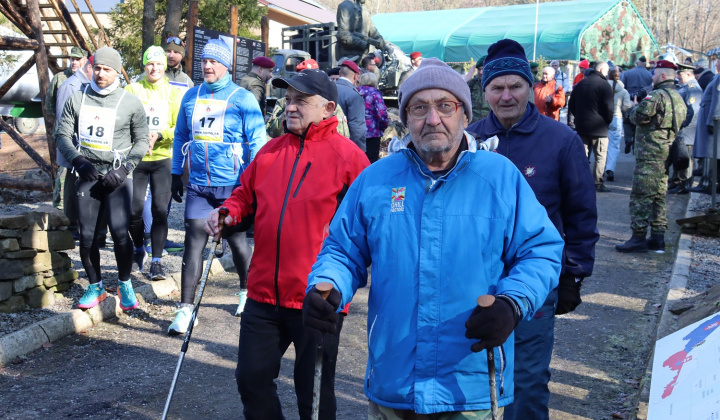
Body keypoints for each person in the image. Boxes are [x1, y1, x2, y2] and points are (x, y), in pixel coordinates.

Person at [302, 56, 564, 418]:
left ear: (464, 115)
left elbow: (541, 250)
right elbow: (342, 251)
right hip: (394, 379)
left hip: (470, 383)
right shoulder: (377, 179)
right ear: (406, 118)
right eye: (419, 108)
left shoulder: (499, 177)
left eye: (445, 106)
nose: (433, 119)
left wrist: (512, 303)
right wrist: (328, 285)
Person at [203, 69, 370, 420]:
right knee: (251, 379)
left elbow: (368, 221)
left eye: (301, 101)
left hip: (318, 297)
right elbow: (243, 196)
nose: (290, 107)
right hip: (263, 294)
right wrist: (227, 212)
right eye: (288, 100)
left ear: (327, 108)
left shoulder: (350, 158)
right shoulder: (269, 152)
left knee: (314, 395)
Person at [467, 39, 598, 420]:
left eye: (515, 86)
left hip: (537, 285)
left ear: (530, 87)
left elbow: (581, 214)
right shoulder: (469, 142)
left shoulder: (561, 141)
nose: (506, 96)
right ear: (485, 91)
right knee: (476, 377)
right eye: (497, 88)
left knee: (526, 381)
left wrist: (573, 275)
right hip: (475, 282)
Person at [169, 39, 266, 333]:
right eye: (204, 61)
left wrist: (252, 182)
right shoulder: (191, 96)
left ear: (226, 65)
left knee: (237, 242)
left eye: (214, 61)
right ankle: (186, 309)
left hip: (233, 186)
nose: (207, 66)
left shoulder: (242, 98)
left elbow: (259, 142)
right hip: (199, 185)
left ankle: (246, 292)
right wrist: (176, 173)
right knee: (193, 244)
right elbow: (180, 135)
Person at [55, 47, 149, 311]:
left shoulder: (129, 101)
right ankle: (95, 287)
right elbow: (61, 134)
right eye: (97, 68)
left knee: (120, 233)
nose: (101, 73)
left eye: (107, 69)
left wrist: (126, 168)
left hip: (117, 176)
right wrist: (77, 159)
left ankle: (124, 282)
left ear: (117, 71)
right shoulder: (78, 97)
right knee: (87, 237)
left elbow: (142, 140)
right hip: (87, 174)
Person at [124, 46, 183, 280]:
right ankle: (139, 248)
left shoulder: (173, 93)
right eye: (150, 63)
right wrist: (139, 137)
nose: (155, 68)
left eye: (159, 64)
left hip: (162, 158)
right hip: (137, 157)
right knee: (134, 210)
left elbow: (178, 127)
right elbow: (123, 120)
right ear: (144, 65)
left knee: (160, 211)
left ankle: (156, 261)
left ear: (165, 66)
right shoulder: (132, 89)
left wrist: (159, 135)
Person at [616, 60, 687, 253]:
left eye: (654, 74)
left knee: (640, 196)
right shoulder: (678, 97)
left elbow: (636, 117)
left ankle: (638, 238)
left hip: (649, 154)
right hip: (665, 153)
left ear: (663, 76)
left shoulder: (655, 96)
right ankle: (658, 238)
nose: (652, 77)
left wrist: (635, 107)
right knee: (658, 197)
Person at [54, 56, 94, 236]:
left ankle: (83, 224)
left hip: (84, 145)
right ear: (89, 67)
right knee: (70, 184)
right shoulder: (70, 85)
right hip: (71, 145)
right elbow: (64, 118)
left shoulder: (86, 84)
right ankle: (71, 226)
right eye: (97, 68)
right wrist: (72, 148)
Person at [266, 59, 350, 139]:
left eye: (300, 100)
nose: (290, 107)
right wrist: (288, 114)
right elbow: (271, 131)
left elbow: (342, 135)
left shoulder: (329, 105)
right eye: (301, 75)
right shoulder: (283, 103)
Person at [49, 46, 88, 212]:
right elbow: (49, 104)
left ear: (85, 61)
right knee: (63, 170)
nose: (74, 62)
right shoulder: (59, 78)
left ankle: (77, 207)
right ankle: (59, 204)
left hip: (82, 134)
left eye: (77, 59)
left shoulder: (88, 80)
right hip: (63, 133)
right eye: (72, 58)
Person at [568, 61, 614, 192]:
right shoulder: (604, 85)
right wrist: (606, 121)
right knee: (600, 157)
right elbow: (609, 107)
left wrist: (578, 118)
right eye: (606, 70)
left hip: (582, 126)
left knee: (582, 156)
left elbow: (571, 105)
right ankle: (598, 183)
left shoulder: (580, 84)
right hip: (600, 128)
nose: (607, 73)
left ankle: (580, 182)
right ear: (601, 70)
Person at [668, 64, 702, 194]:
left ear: (689, 74)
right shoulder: (685, 87)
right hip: (683, 131)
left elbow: (692, 111)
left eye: (680, 75)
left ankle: (684, 184)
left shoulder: (693, 89)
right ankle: (676, 181)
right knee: (679, 156)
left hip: (688, 131)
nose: (678, 77)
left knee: (685, 158)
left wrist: (680, 125)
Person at [689, 58, 720, 194]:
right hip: (708, 115)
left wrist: (712, 120)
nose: (716, 63)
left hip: (710, 117)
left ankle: (707, 182)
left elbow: (718, 100)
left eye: (718, 60)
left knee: (709, 151)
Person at [605, 68, 632, 182]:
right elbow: (626, 106)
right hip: (617, 118)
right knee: (614, 146)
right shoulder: (624, 91)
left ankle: (600, 168)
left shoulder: (603, 88)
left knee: (602, 145)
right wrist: (631, 104)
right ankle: (610, 169)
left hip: (604, 118)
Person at [357, 72, 389, 162]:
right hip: (373, 131)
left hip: (357, 130)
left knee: (358, 159)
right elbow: (381, 113)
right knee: (371, 160)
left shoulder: (355, 91)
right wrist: (384, 125)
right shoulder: (375, 93)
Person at [335, 60, 367, 151]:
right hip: (345, 146)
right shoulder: (354, 95)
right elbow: (357, 127)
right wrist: (360, 151)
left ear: (340, 73)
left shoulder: (328, 89)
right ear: (356, 76)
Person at [467, 56, 491, 123]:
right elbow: (458, 94)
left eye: (483, 69)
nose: (480, 72)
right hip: (473, 123)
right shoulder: (472, 83)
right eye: (479, 69)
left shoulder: (494, 84)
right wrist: (466, 80)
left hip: (489, 122)